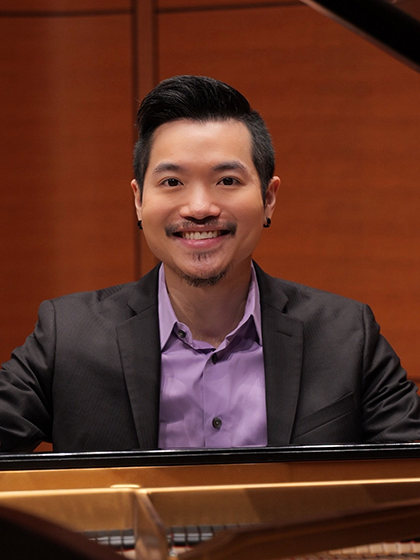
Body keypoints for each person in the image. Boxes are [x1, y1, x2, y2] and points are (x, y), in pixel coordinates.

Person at [1, 75, 419, 453]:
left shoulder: (347, 336)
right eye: (172, 182)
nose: (199, 208)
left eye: (227, 181)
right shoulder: (68, 336)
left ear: (268, 198)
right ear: (139, 200)